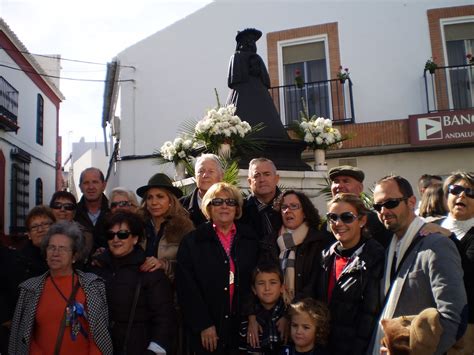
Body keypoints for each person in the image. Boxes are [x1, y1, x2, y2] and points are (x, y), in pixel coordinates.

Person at [368, 175, 467, 354]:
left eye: (390, 203)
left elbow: (454, 315)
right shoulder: (389, 247)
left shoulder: (436, 244)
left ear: (411, 202)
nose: (383, 211)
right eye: (377, 206)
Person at [176, 182, 258, 354]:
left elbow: (254, 282)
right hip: (207, 330)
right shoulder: (193, 241)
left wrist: (252, 317)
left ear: (237, 208)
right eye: (217, 202)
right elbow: (186, 288)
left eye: (230, 202)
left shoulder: (250, 239)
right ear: (208, 207)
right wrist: (204, 324)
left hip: (240, 327)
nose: (224, 206)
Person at [8, 222, 112, 354]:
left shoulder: (92, 286)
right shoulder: (30, 288)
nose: (55, 253)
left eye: (63, 248)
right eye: (51, 248)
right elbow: (24, 335)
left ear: (74, 256)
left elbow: (98, 336)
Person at [93, 211, 176, 354]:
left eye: (123, 234)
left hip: (139, 347)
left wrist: (154, 350)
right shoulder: (97, 268)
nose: (116, 239)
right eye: (110, 235)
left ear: (135, 238)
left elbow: (164, 318)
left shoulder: (150, 271)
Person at [315, 193, 384, 354]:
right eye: (333, 217)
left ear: (362, 220)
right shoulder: (326, 256)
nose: (338, 223)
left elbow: (370, 315)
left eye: (347, 217)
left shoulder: (375, 257)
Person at [261, 189, 332, 304]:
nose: (287, 211)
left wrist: (295, 309)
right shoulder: (269, 241)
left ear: (304, 212)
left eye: (294, 206)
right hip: (276, 309)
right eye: (284, 207)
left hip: (307, 310)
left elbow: (317, 282)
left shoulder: (320, 240)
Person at [0, 206, 55, 353]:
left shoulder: (63, 258)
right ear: (29, 234)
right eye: (35, 226)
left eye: (46, 224)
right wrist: (7, 318)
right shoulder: (15, 260)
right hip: (22, 333)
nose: (41, 229)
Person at [226, 28, 288, 140]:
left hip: (260, 94)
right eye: (248, 41)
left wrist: (256, 68)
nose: (251, 44)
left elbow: (265, 79)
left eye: (253, 42)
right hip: (242, 94)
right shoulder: (237, 56)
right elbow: (234, 78)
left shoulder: (257, 58)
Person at [136, 173, 194, 280]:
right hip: (139, 291)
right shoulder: (137, 226)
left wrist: (164, 265)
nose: (154, 202)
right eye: (149, 197)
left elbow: (191, 265)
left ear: (171, 201)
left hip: (171, 291)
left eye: (160, 197)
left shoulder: (184, 228)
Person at [440, 171, 474, 353]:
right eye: (456, 190)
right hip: (431, 321)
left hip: (466, 325)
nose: (462, 195)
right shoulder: (430, 226)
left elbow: (466, 273)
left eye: (470, 192)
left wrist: (449, 238)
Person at [328, 165, 393, 248]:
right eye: (336, 181)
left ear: (360, 188)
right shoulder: (326, 225)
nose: (339, 186)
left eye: (346, 181)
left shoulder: (376, 222)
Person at [239, 263, 286, 355]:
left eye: (273, 283)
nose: (267, 288)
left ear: (282, 288)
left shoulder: (289, 321)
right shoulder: (247, 324)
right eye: (261, 283)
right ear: (254, 290)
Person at [241, 158, 283, 240]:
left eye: (267, 174)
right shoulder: (240, 210)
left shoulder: (290, 205)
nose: (262, 180)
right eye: (256, 176)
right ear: (250, 182)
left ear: (276, 179)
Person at [180, 154, 224, 227]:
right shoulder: (181, 206)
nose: (205, 175)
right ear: (195, 176)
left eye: (211, 171)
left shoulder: (232, 205)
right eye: (201, 171)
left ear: (221, 176)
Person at [49, 190, 94, 259]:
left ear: (74, 213)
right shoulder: (42, 231)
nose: (62, 209)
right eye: (57, 205)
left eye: (68, 207)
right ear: (51, 209)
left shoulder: (85, 235)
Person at [74, 167, 110, 252]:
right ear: (80, 187)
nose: (91, 187)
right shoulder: (73, 213)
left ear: (103, 186)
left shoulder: (113, 211)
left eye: (95, 182)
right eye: (86, 183)